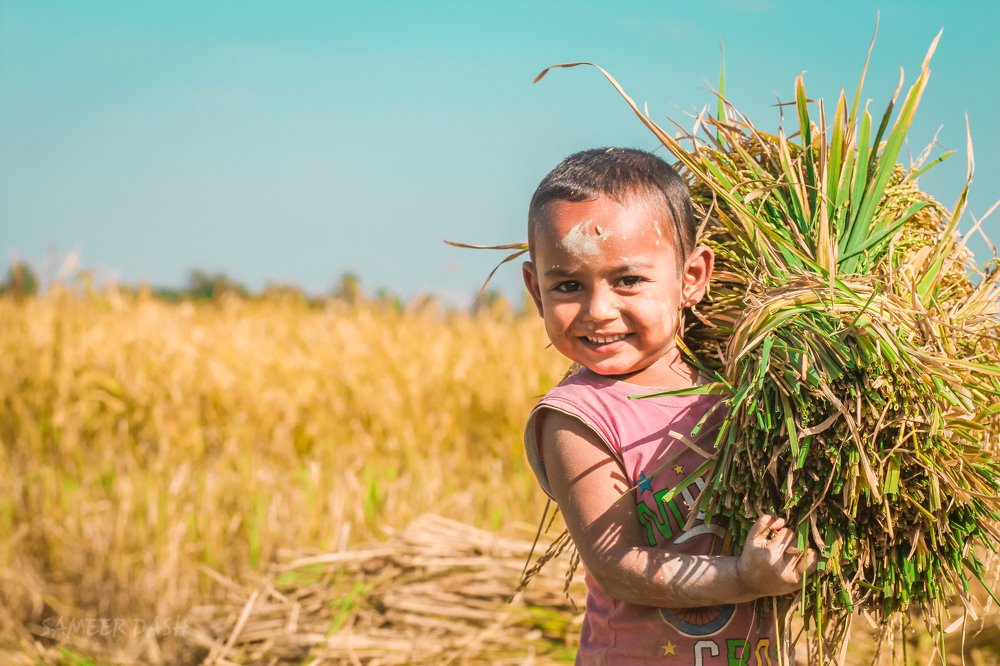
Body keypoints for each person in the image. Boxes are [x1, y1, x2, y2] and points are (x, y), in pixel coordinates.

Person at [521, 147, 816, 664]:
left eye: (628, 280)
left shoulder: (744, 390)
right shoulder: (577, 420)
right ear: (535, 290)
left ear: (692, 277)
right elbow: (617, 566)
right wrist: (745, 578)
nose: (598, 310)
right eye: (568, 285)